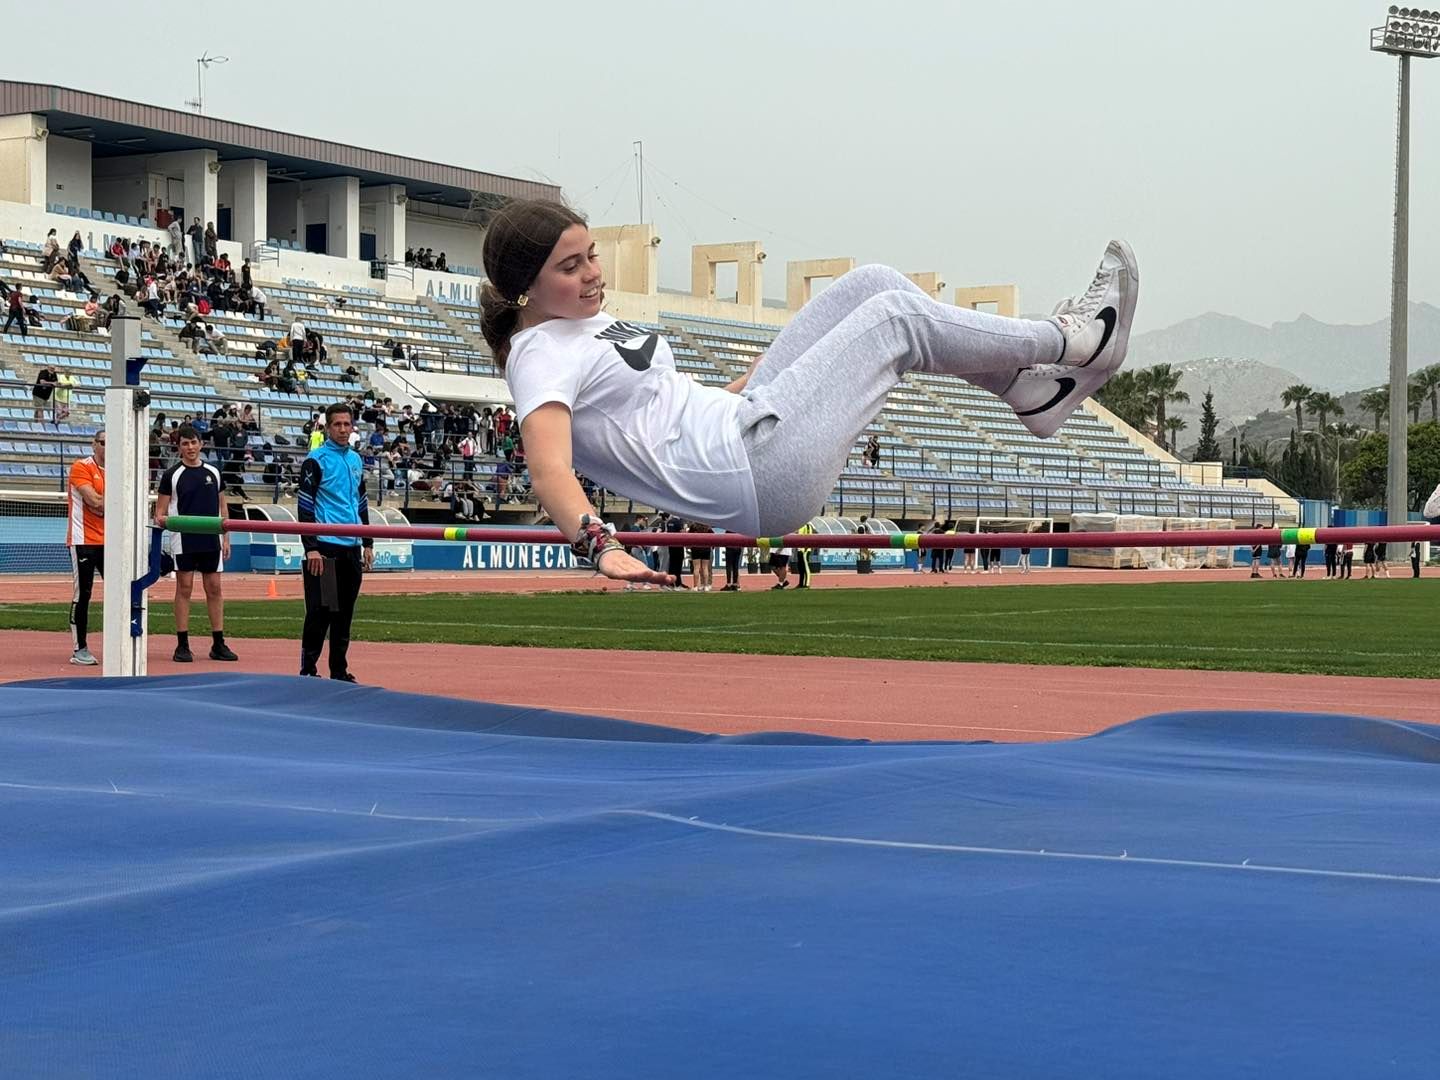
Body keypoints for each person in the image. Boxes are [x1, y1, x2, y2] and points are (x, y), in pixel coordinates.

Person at [480, 200, 1137, 584]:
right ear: (523, 291)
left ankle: (1030, 393)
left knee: (872, 285)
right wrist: (603, 547)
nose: (594, 274)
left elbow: (662, 410)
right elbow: (548, 465)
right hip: (759, 472)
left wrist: (755, 377)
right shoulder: (539, 355)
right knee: (896, 324)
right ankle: (1074, 342)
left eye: (592, 254)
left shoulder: (579, 326)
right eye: (571, 267)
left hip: (743, 420)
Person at [297, 403, 374, 681]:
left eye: (347, 424)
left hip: (351, 549)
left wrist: (367, 542)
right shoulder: (315, 461)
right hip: (325, 549)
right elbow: (305, 506)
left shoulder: (355, 460)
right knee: (322, 612)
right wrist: (312, 548)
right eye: (337, 425)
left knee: (344, 615)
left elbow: (361, 502)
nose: (343, 429)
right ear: (327, 428)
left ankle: (339, 671)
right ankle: (308, 670)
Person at [154, 425, 238, 663]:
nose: (190, 448)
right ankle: (182, 644)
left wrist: (226, 537)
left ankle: (218, 642)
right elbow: (160, 512)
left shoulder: (214, 471)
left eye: (193, 443)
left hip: (211, 538)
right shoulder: (172, 475)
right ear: (179, 447)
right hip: (184, 538)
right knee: (184, 588)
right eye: (185, 444)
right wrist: (164, 527)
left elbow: (223, 506)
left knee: (214, 588)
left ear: (201, 444)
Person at [67, 430, 106, 666]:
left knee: (120, 592)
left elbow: (103, 504)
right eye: (103, 443)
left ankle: (119, 640)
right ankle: (79, 648)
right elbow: (95, 502)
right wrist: (106, 502)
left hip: (109, 542)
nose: (106, 447)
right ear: (94, 444)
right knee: (83, 594)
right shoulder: (81, 467)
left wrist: (104, 503)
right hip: (83, 541)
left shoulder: (118, 471)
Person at [688, 521, 714, 591]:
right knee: (705, 568)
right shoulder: (707, 527)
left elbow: (688, 537)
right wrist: (712, 546)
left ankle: (695, 586)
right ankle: (706, 586)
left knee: (696, 568)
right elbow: (714, 537)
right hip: (706, 548)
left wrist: (689, 546)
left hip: (696, 548)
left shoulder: (693, 527)